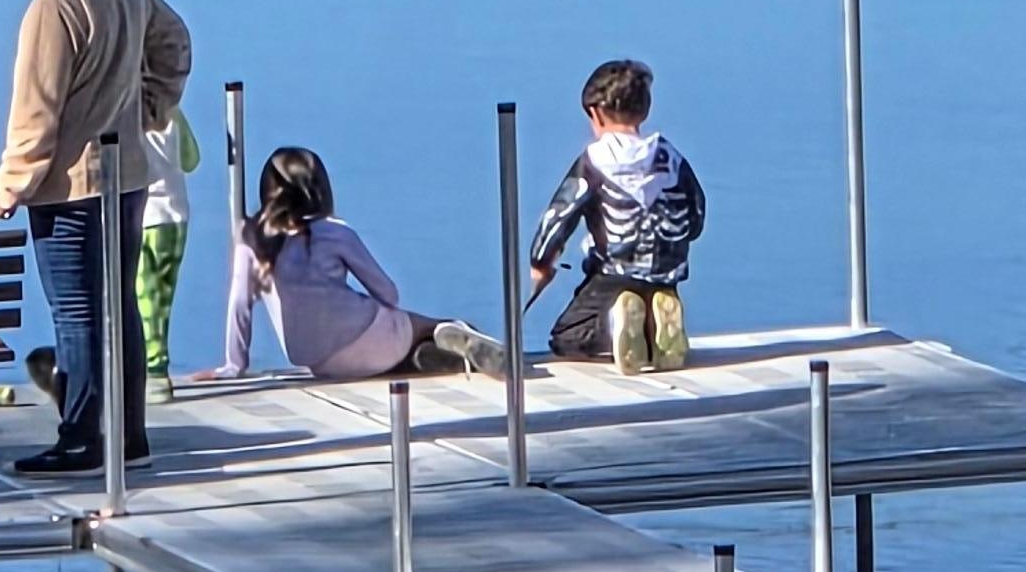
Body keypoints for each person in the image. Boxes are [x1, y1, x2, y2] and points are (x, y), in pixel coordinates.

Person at [0, 0, 194, 476]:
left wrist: (11, 185)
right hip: (127, 175)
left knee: (76, 314)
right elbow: (175, 42)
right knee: (119, 306)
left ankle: (81, 438)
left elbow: (36, 108)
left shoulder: (54, 5)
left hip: (69, 186)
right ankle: (127, 434)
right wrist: (151, 107)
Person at [218, 146, 503, 382]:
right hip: (375, 336)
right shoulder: (335, 232)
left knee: (383, 351)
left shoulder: (250, 239)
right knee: (427, 326)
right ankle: (455, 337)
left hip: (321, 363)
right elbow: (388, 294)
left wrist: (234, 365)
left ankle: (427, 357)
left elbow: (239, 304)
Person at [529, 59, 706, 372]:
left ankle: (617, 326)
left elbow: (560, 216)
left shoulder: (594, 161)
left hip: (614, 275)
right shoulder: (671, 157)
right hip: (667, 274)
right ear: (645, 109)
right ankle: (658, 323)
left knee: (566, 337)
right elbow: (696, 213)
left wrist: (541, 263)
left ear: (596, 113)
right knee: (650, 299)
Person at [138, 105, 201, 395]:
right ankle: (156, 366)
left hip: (144, 216)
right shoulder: (174, 112)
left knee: (144, 299)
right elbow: (191, 160)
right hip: (177, 216)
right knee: (163, 299)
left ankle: (154, 371)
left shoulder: (125, 111)